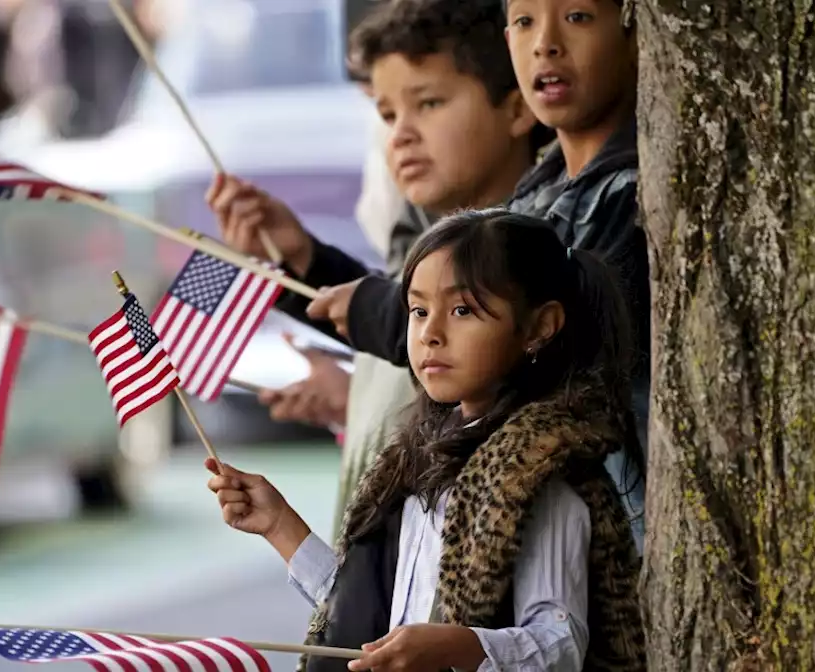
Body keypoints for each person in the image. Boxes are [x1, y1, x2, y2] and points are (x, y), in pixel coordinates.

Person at [206, 211, 647, 672]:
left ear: (539, 327)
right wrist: (280, 525)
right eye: (418, 310)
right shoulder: (417, 458)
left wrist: (462, 647)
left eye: (462, 310)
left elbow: (558, 642)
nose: (430, 334)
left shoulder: (537, 472)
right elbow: (372, 612)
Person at [301, 0, 649, 551]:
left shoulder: (633, 196)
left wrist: (377, 312)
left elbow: (539, 336)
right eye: (525, 22)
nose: (546, 44)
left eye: (578, 16)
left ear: (635, 32)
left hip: (608, 535)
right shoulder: (536, 193)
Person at [205, 0, 548, 528]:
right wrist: (300, 257)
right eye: (387, 114)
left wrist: (369, 306)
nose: (401, 134)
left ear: (517, 107)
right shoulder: (420, 237)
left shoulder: (550, 244)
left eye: (429, 103)